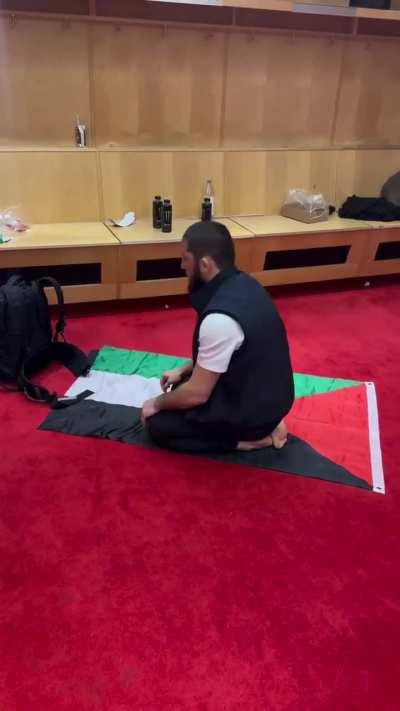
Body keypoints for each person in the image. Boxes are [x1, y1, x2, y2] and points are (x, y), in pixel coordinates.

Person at [141, 221, 294, 453]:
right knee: (180, 387)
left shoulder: (220, 319)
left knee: (159, 425)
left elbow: (198, 394)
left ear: (204, 264)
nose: (182, 265)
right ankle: (266, 424)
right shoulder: (245, 284)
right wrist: (183, 370)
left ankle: (252, 440)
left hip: (255, 415)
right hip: (269, 398)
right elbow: (233, 352)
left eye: (185, 258)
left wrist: (155, 403)